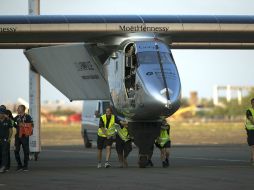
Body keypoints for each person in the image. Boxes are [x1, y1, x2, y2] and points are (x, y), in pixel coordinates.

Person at [14, 105, 33, 171]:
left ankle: (25, 166)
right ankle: (19, 165)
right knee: (16, 150)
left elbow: (32, 125)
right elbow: (13, 122)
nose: (17, 109)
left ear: (22, 109)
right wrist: (16, 126)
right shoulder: (17, 117)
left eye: (18, 108)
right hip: (18, 136)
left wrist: (23, 125)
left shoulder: (27, 117)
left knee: (26, 151)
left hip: (25, 136)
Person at [0, 108, 13, 173]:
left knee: (4, 153)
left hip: (5, 140)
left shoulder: (8, 121)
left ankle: (3, 166)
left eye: (2, 113)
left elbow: (11, 130)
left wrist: (9, 139)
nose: (0, 114)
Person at [245, 98, 254, 166]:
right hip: (251, 130)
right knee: (253, 145)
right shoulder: (249, 111)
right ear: (251, 103)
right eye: (253, 102)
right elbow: (251, 120)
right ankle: (252, 159)